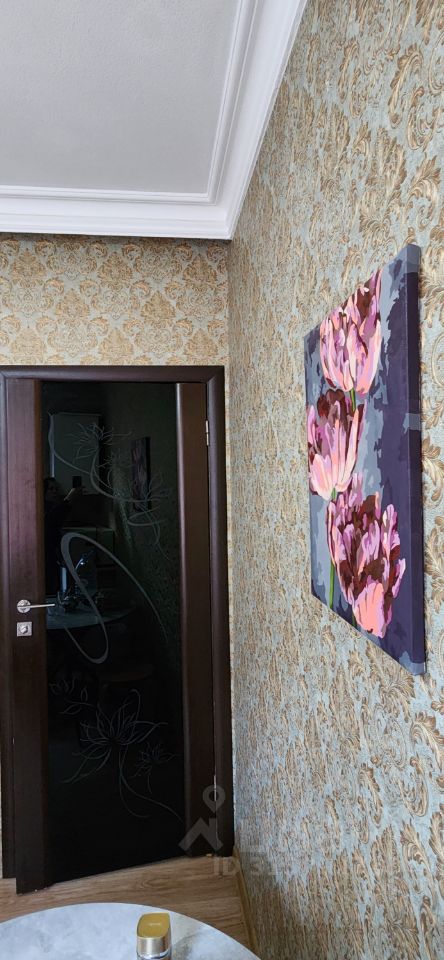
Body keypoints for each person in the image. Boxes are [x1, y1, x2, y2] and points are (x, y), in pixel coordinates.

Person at [43, 477, 84, 594]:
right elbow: (52, 519)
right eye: (51, 489)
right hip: (47, 557)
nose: (55, 492)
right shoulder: (42, 508)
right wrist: (69, 498)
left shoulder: (53, 507)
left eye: (56, 489)